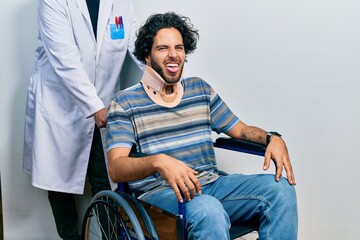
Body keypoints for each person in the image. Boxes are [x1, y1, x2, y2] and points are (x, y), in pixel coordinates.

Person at [106, 12, 298, 240]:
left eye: (178, 47)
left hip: (211, 185)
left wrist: (272, 138)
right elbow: (116, 168)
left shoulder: (200, 90)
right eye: (163, 48)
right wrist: (159, 162)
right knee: (208, 210)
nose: (173, 55)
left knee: (281, 191)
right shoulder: (125, 103)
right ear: (147, 56)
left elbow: (240, 129)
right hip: (160, 196)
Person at [22, 0, 143, 239]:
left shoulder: (121, 4)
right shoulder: (53, 1)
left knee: (105, 179)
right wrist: (95, 107)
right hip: (59, 104)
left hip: (104, 105)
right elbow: (65, 60)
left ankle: (110, 236)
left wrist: (164, 75)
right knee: (59, 183)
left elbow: (140, 47)